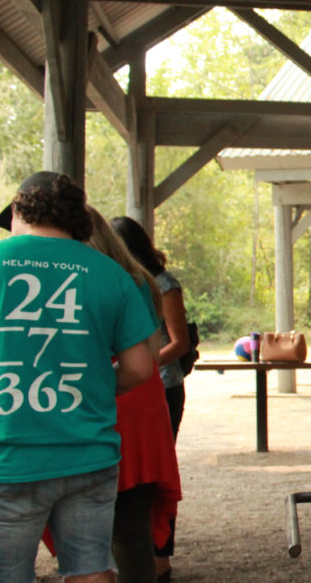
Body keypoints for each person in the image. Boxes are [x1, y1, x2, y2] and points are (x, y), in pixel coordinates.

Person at [0, 172, 155, 583]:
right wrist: (105, 386)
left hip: (7, 455)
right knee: (91, 569)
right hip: (89, 452)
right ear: (80, 220)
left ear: (18, 210)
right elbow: (141, 367)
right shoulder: (111, 274)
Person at [87, 208, 181, 583]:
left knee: (112, 520)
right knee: (132, 519)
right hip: (142, 397)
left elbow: (160, 347)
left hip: (119, 397)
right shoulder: (140, 279)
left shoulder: (105, 280)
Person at [109, 216, 189, 581]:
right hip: (127, 391)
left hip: (162, 387)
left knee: (155, 477)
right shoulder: (115, 281)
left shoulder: (162, 284)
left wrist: (140, 362)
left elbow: (179, 342)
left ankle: (162, 557)